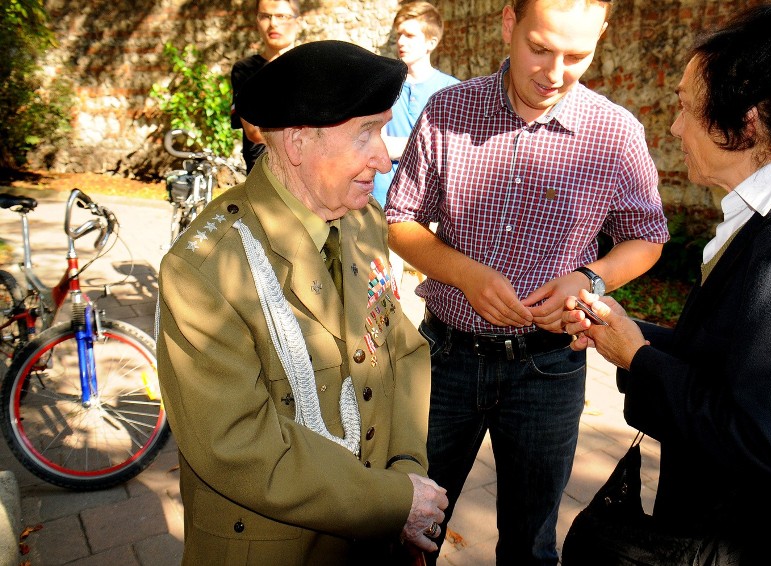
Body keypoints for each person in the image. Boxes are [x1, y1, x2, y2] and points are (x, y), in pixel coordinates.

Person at [384, 0, 670, 563]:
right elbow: (399, 221)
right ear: (510, 25)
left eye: (577, 55)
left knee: (532, 543)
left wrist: (591, 276)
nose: (554, 73)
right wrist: (464, 273)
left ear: (602, 36)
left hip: (550, 368)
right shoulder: (449, 111)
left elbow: (648, 235)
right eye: (540, 48)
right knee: (408, 527)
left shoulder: (615, 133)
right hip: (445, 357)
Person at [570, 2, 771, 564]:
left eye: (684, 107)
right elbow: (741, 363)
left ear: (744, 122)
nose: (673, 127)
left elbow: (769, 438)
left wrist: (641, 360)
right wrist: (626, 335)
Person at [157, 40, 448, 565]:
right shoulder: (203, 269)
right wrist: (392, 500)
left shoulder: (361, 222)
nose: (384, 157)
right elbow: (236, 441)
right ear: (296, 142)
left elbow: (400, 351)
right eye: (367, 133)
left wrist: (406, 468)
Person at [373, 1, 459, 208]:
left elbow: (454, 155)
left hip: (430, 207)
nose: (401, 42)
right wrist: (430, 146)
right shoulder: (384, 87)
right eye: (398, 35)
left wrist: (398, 145)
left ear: (431, 42)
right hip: (380, 202)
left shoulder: (453, 91)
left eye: (410, 36)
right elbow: (377, 146)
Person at [229, 0, 300, 173]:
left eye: (281, 16)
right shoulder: (245, 70)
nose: (273, 23)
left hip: (305, 172)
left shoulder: (311, 66)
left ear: (297, 23)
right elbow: (254, 132)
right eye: (265, 16)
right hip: (262, 173)